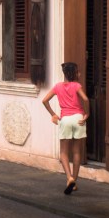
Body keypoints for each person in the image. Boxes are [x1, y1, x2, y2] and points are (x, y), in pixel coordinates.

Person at [42, 61, 90, 195]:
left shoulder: (57, 87)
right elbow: (85, 99)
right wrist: (87, 114)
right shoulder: (76, 86)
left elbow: (44, 100)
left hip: (65, 120)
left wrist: (53, 115)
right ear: (74, 73)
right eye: (78, 71)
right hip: (78, 118)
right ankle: (74, 181)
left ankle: (69, 177)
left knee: (63, 152)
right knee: (76, 152)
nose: (79, 73)